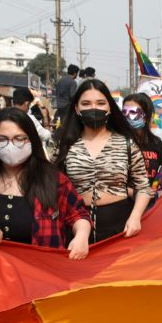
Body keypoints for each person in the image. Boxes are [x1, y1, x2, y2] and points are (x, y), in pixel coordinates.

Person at [0, 107, 91, 256]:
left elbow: (78, 214)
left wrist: (82, 236)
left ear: (32, 140)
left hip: (40, 272)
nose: (10, 145)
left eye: (19, 138)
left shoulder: (53, 180)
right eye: (2, 139)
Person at [54, 78, 150, 242]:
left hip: (121, 226)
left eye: (100, 103)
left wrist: (135, 217)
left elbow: (143, 186)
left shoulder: (126, 143)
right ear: (77, 108)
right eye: (86, 103)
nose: (94, 108)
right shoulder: (65, 144)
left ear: (110, 107)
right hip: (75, 228)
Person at [123, 93, 162, 203]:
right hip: (125, 208)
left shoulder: (157, 143)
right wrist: (135, 193)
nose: (127, 116)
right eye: (124, 112)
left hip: (153, 207)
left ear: (146, 115)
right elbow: (111, 183)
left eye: (133, 112)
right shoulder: (118, 143)